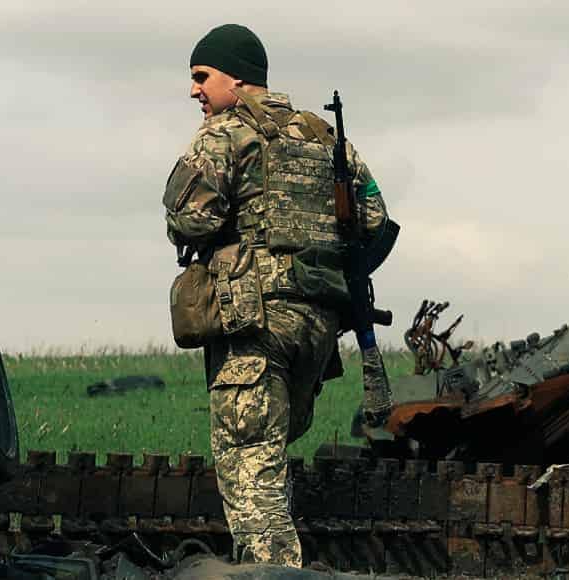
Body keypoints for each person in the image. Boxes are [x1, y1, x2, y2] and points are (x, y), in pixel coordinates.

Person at [163, 24, 391, 567]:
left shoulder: (224, 133)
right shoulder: (325, 138)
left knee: (248, 468)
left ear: (236, 78)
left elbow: (189, 218)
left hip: (254, 324)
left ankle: (274, 572)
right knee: (266, 462)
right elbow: (375, 220)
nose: (195, 91)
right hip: (316, 327)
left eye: (202, 77)